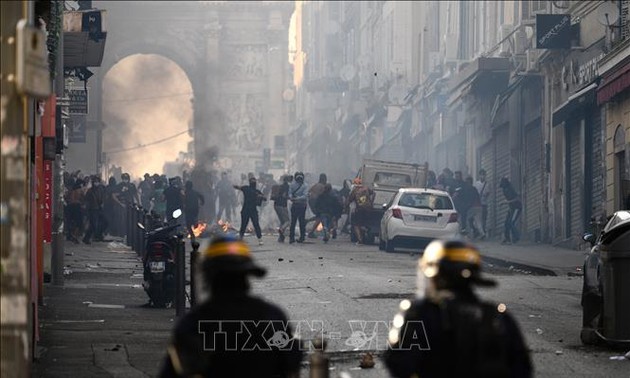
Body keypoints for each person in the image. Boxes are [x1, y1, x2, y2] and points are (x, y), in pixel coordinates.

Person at [158, 235, 303, 377]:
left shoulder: (193, 323)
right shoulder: (272, 316)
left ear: (209, 276)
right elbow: (291, 361)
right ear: (246, 276)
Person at [384, 239, 532, 378]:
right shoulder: (498, 317)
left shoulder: (421, 313)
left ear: (434, 275)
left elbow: (398, 363)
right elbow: (522, 369)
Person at [234, 176, 265, 245]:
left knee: (255, 224)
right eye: (252, 181)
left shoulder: (255, 191)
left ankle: (259, 238)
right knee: (244, 225)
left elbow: (264, 198)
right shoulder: (247, 188)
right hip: (246, 210)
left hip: (251, 210)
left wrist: (261, 196)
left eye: (254, 181)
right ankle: (241, 238)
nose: (253, 183)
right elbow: (238, 187)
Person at [346, 178, 374, 245]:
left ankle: (360, 240)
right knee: (365, 223)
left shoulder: (355, 191)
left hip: (359, 210)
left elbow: (349, 200)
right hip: (369, 209)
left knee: (356, 225)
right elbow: (373, 193)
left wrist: (345, 207)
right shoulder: (366, 188)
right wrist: (371, 202)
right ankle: (365, 229)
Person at [83, 176, 106, 244]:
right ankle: (87, 238)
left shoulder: (100, 189)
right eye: (95, 182)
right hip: (92, 209)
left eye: (97, 181)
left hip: (99, 208)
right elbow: (86, 200)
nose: (96, 183)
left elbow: (102, 197)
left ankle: (98, 235)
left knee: (105, 222)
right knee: (93, 225)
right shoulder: (90, 191)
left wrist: (102, 203)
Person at [499, 177, 522, 245]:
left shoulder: (510, 189)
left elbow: (517, 198)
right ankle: (507, 239)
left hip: (517, 208)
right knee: (506, 223)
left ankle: (516, 236)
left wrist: (507, 202)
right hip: (511, 208)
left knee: (511, 223)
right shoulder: (504, 190)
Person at [288, 172, 308, 244]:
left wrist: (295, 198)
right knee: (295, 222)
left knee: (299, 222)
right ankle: (293, 237)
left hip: (299, 205)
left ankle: (300, 237)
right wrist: (292, 198)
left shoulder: (305, 185)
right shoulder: (293, 185)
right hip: (298, 205)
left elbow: (305, 195)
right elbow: (289, 193)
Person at [307, 173, 327, 238]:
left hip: (311, 202)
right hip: (317, 203)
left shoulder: (316, 185)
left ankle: (309, 226)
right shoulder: (323, 186)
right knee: (320, 216)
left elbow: (309, 191)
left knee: (319, 216)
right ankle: (325, 231)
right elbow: (323, 195)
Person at [272, 175, 291, 243]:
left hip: (276, 205)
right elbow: (284, 196)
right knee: (287, 221)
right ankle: (281, 229)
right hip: (282, 205)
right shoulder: (287, 186)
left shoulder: (280, 186)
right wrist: (291, 198)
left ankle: (281, 237)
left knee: (282, 221)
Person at [474, 169, 490, 235]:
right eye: (481, 174)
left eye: (483, 174)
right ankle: (479, 232)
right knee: (477, 219)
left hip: (484, 204)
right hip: (477, 204)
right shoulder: (476, 184)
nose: (482, 176)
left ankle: (483, 231)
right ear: (479, 175)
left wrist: (485, 195)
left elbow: (488, 193)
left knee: (484, 219)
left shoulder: (487, 184)